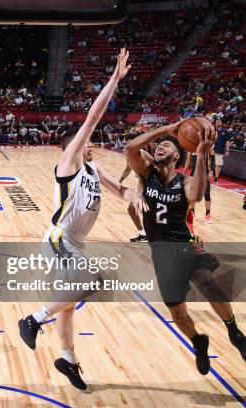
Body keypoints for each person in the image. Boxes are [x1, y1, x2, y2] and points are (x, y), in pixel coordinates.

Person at [17, 49, 144, 390]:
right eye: (87, 142)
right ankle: (32, 319)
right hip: (59, 238)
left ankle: (67, 359)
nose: (93, 144)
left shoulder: (93, 168)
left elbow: (120, 190)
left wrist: (131, 194)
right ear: (73, 146)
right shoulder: (68, 163)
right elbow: (92, 117)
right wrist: (114, 80)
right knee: (93, 281)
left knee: (69, 305)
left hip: (77, 243)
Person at [126, 120, 245, 374]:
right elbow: (130, 148)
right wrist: (167, 130)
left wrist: (201, 155)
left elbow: (198, 195)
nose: (159, 148)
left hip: (184, 247)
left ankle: (234, 330)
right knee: (179, 316)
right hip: (162, 257)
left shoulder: (184, 182)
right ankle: (198, 341)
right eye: (157, 147)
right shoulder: (147, 175)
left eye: (166, 146)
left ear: (177, 155)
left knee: (207, 282)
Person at [213, 119, 233, 184]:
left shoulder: (225, 131)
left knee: (218, 165)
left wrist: (227, 150)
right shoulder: (212, 130)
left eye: (219, 122)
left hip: (220, 150)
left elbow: (227, 142)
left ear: (221, 123)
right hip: (211, 150)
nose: (218, 123)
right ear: (215, 123)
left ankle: (216, 178)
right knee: (210, 165)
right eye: (217, 122)